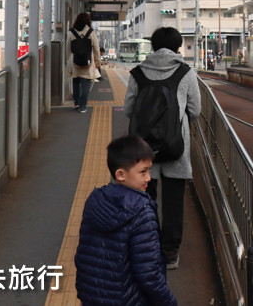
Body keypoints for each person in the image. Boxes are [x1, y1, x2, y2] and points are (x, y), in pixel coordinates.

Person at [123, 27, 200, 270]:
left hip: (144, 149)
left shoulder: (137, 72)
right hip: (176, 147)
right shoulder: (186, 72)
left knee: (145, 199)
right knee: (174, 203)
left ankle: (148, 248)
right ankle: (170, 253)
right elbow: (195, 110)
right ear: (178, 47)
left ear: (153, 46)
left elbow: (128, 110)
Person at [75, 135, 178, 306]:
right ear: (121, 174)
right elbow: (148, 274)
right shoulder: (142, 212)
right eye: (143, 171)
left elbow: (83, 254)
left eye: (149, 170)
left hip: (92, 296)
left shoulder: (95, 201)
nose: (148, 178)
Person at [68, 12, 103, 113]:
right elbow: (96, 48)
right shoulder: (91, 32)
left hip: (75, 62)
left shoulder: (71, 32)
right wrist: (98, 62)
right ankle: (83, 107)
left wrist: (68, 60)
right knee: (85, 85)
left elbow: (67, 49)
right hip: (88, 63)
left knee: (75, 82)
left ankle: (77, 103)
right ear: (88, 21)